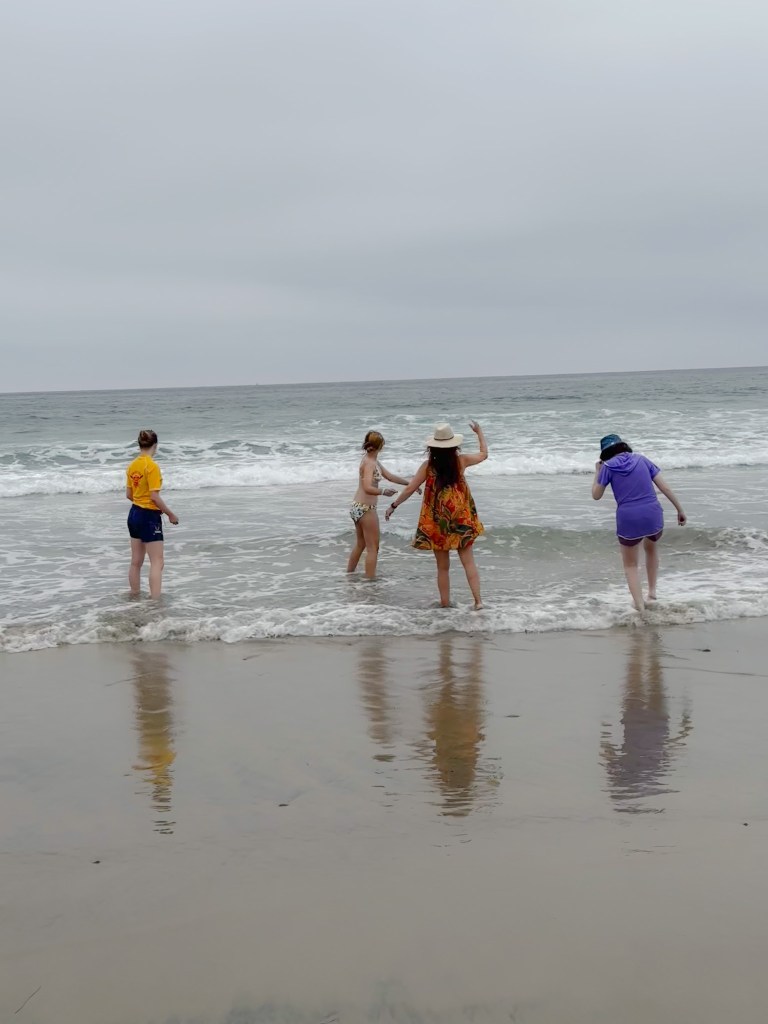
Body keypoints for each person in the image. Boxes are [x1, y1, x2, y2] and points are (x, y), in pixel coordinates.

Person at [385, 422, 487, 609]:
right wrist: (479, 432)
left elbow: (410, 488)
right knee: (468, 562)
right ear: (454, 445)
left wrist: (394, 505)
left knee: (442, 567)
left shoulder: (428, 466)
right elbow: (483, 455)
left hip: (437, 521)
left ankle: (445, 604)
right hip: (460, 518)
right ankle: (478, 602)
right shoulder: (460, 461)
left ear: (432, 446)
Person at [592, 433, 686, 612]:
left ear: (605, 454)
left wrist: (597, 472)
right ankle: (652, 594)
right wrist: (679, 510)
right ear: (623, 446)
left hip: (629, 517)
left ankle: (640, 607)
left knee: (630, 564)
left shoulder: (608, 468)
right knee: (651, 549)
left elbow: (596, 495)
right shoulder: (642, 460)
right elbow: (664, 487)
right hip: (652, 513)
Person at [346, 430, 412, 580]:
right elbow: (368, 487)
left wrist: (410, 483)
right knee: (373, 548)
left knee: (361, 544)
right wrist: (383, 491)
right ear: (381, 446)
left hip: (357, 506)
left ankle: (349, 575)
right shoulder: (369, 463)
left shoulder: (371, 460)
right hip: (365, 508)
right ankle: (370, 582)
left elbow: (389, 476)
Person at [126, 429, 179, 598]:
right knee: (157, 561)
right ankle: (155, 603)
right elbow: (154, 496)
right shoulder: (152, 466)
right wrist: (170, 514)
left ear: (139, 444)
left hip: (134, 514)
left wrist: (140, 503)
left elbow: (129, 494)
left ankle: (134, 596)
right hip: (149, 517)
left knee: (136, 562)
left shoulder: (132, 465)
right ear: (155, 445)